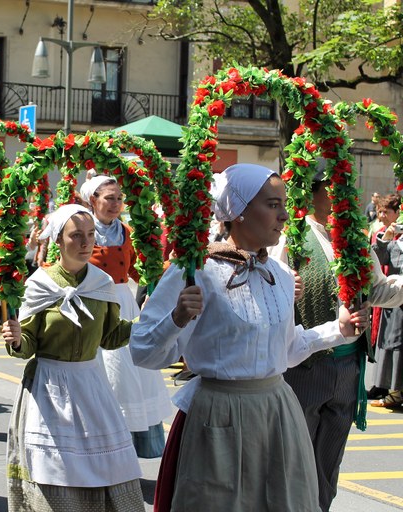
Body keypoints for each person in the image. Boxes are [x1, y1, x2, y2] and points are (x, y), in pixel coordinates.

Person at [130, 163, 368, 512]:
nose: (284, 215)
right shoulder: (197, 270)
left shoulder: (281, 275)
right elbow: (142, 351)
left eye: (284, 205)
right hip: (219, 414)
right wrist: (176, 319)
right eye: (272, 205)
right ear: (238, 211)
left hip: (276, 413)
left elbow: (287, 352)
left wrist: (339, 330)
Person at [270, 177, 403, 512]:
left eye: (345, 188)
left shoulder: (354, 239)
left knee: (328, 464)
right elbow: (272, 291)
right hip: (305, 365)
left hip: (348, 368)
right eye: (332, 189)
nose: (342, 196)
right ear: (312, 194)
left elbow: (378, 290)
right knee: (293, 461)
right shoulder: (292, 237)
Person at [1, 204, 143, 512]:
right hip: (48, 388)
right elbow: (28, 344)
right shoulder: (40, 283)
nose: (85, 242)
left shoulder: (102, 283)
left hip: (90, 386)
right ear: (58, 240)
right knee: (54, 469)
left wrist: (143, 323)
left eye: (90, 235)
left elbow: (110, 337)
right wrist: (17, 339)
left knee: (105, 466)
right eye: (76, 235)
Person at [79, 175, 172, 458]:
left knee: (128, 374)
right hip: (92, 303)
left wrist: (163, 271)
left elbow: (134, 270)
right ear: (92, 200)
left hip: (122, 304)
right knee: (102, 373)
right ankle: (100, 447)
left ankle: (127, 448)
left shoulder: (126, 231)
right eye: (109, 198)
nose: (116, 204)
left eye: (119, 198)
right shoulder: (82, 229)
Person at [368, 204, 403, 408]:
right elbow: (377, 259)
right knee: (394, 344)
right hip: (396, 302)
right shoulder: (395, 244)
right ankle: (395, 393)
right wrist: (386, 238)